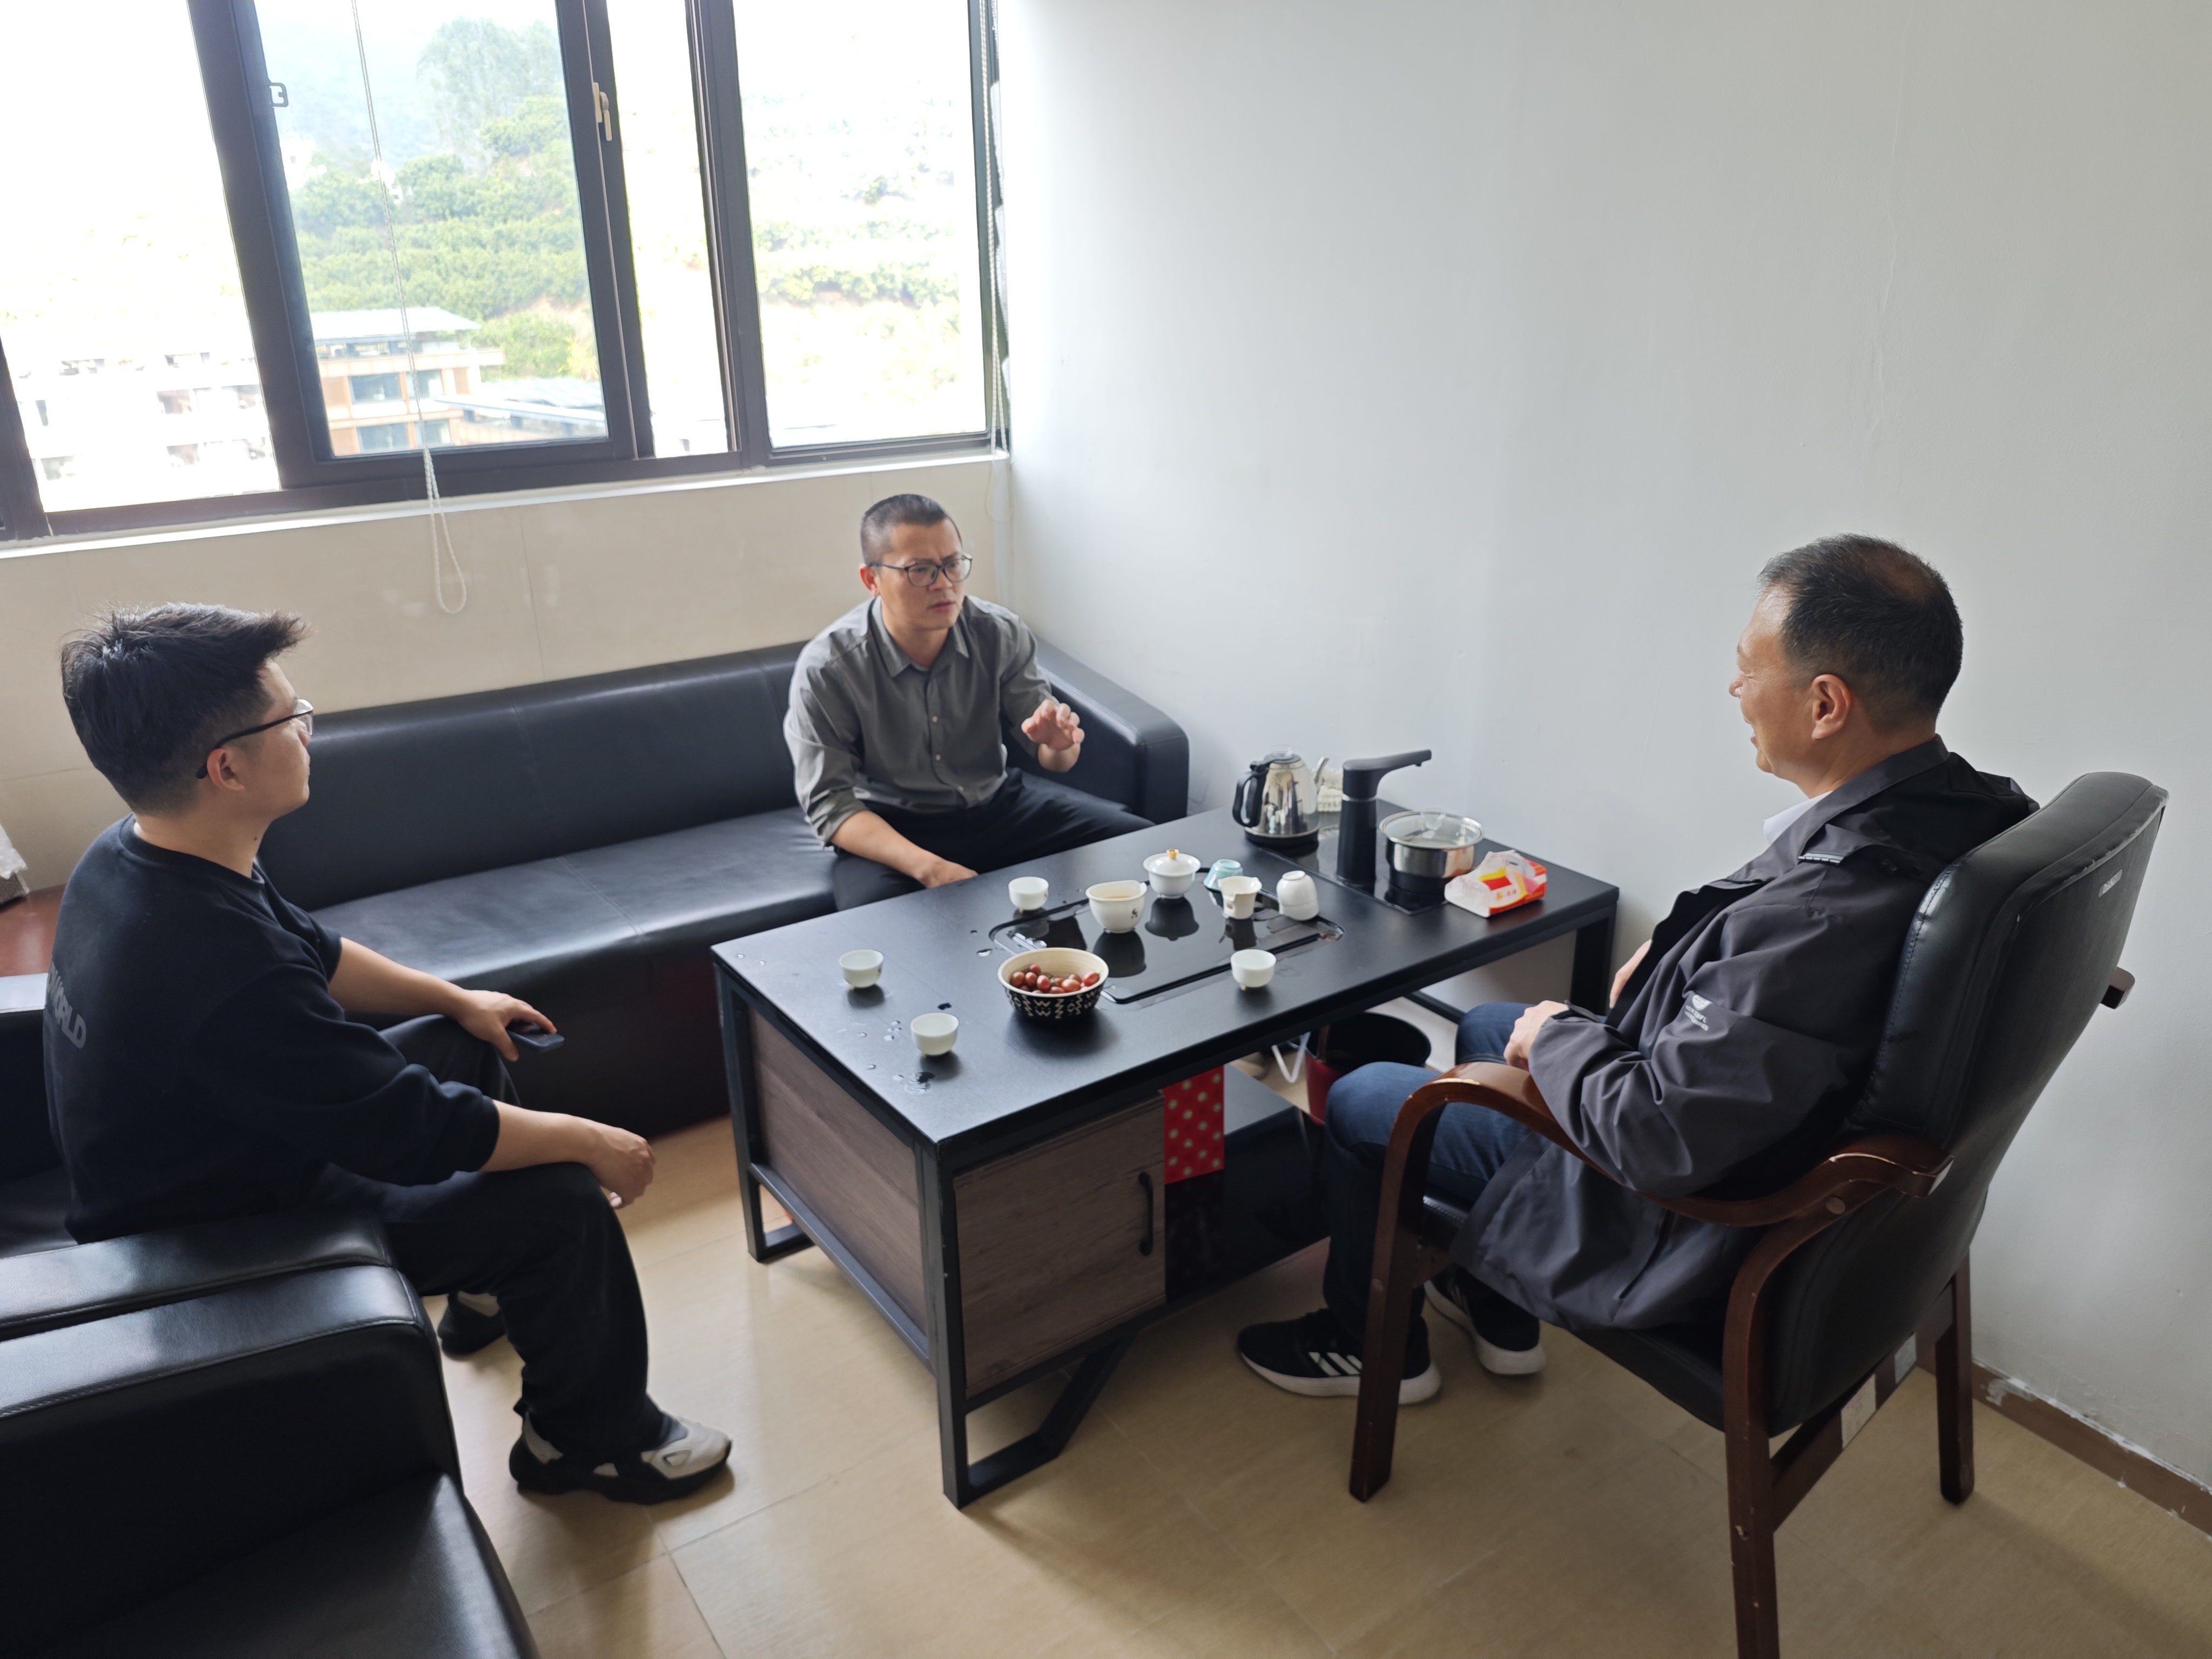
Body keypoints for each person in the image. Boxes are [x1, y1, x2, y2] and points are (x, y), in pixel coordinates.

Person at [1238, 536, 2037, 1403]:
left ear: (1825, 704)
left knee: (1367, 1100)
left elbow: (1659, 1136)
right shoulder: (1975, 817)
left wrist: (1562, 1033)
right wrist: (1680, 953)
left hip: (1679, 1211)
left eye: (1748, 669)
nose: (1735, 690)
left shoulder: (1819, 920)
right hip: (1768, 1124)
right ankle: (1498, 1305)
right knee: (1489, 1028)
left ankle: (1373, 1350)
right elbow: (1772, 976)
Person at [44, 604, 731, 1505]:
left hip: (219, 1151)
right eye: (292, 717)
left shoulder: (137, 852)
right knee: (563, 1201)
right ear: (227, 767)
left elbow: (314, 951)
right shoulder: (207, 960)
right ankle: (589, 1442)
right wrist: (591, 1139)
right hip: (213, 1232)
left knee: (463, 1039)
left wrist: (456, 998)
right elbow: (407, 1126)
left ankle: (483, 1295)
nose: (308, 729)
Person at [786, 493, 1153, 910]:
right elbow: (829, 805)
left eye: (953, 564)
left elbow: (1055, 758)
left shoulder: (999, 632)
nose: (944, 584)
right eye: (920, 570)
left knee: (1143, 844)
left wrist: (1059, 745)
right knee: (877, 927)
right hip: (893, 828)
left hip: (997, 805)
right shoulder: (829, 668)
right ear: (871, 580)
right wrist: (930, 868)